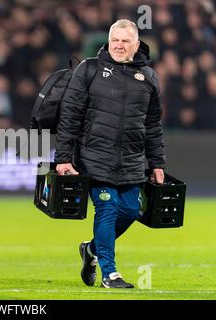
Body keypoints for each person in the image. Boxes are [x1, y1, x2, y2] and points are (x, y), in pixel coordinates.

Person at [55, 19, 165, 288]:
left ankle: (90, 250)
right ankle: (110, 273)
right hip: (94, 157)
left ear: (136, 45)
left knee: (129, 211)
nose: (118, 45)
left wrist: (157, 163)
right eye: (114, 39)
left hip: (131, 161)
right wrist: (63, 158)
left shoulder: (148, 77)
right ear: (108, 40)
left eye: (125, 41)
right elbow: (70, 115)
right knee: (106, 207)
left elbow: (152, 125)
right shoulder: (89, 69)